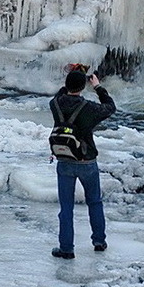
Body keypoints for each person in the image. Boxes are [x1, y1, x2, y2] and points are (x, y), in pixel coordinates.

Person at [49, 69, 116, 259]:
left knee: (66, 208)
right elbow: (110, 107)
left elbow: (61, 93)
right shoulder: (88, 108)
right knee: (94, 201)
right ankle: (99, 241)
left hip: (64, 160)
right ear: (83, 87)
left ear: (66, 85)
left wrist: (71, 77)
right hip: (87, 161)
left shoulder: (55, 104)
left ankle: (66, 248)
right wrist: (97, 86)